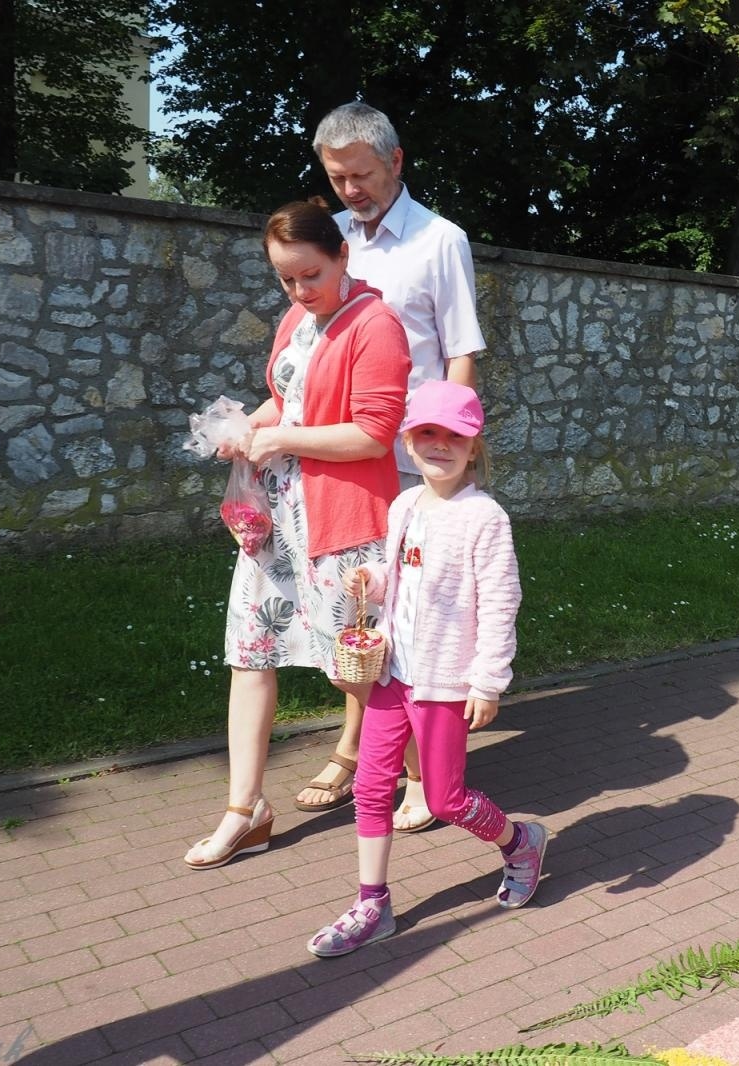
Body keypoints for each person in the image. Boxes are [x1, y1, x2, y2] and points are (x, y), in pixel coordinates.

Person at [183, 199, 410, 870]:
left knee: (363, 670)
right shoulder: (297, 321)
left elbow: (373, 434)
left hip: (343, 522)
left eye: (311, 274)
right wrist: (249, 429)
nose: (299, 290)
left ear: (343, 256)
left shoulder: (377, 326)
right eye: (286, 279)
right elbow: (287, 401)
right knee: (250, 655)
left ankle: (427, 775)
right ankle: (244, 810)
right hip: (278, 520)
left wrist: (282, 438)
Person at [307, 380, 547, 956]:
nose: (440, 445)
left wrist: (488, 681)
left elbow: (500, 602)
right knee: (370, 788)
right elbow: (399, 574)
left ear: (473, 447)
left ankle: (520, 842)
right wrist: (372, 580)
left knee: (445, 800)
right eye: (427, 434)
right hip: (392, 673)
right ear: (409, 443)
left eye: (454, 437)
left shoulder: (484, 518)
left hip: (444, 681)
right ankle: (372, 902)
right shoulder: (406, 505)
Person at [311, 101, 488, 831]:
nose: (351, 190)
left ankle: (420, 770)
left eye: (361, 174)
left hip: (415, 463)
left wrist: (450, 459)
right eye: (337, 178)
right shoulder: (334, 240)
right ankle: (359, 747)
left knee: (422, 611)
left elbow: (461, 349)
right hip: (348, 453)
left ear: (396, 161)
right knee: (362, 607)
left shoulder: (440, 240)